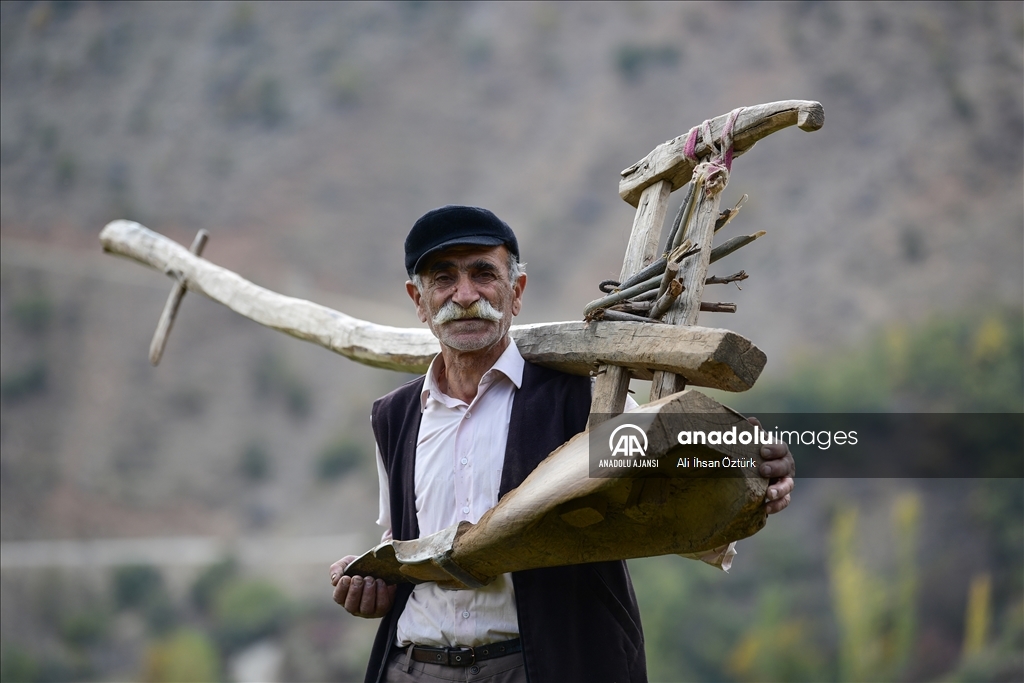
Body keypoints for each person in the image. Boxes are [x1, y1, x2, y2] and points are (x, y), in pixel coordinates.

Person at [330, 205, 795, 683]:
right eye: (443, 278)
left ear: (517, 292)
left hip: (548, 667)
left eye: (483, 273)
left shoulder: (581, 400)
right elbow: (400, 541)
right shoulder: (393, 416)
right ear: (418, 300)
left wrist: (756, 476)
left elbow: (680, 494)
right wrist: (371, 581)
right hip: (414, 668)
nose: (465, 295)